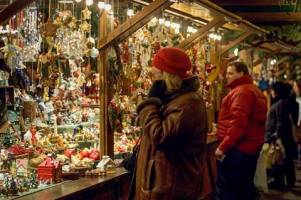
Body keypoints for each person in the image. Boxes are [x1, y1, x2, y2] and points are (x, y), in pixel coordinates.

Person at [133, 47, 208, 200]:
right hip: (160, 185)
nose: (152, 79)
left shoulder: (188, 104)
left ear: (167, 76)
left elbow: (160, 137)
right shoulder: (176, 99)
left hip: (170, 189)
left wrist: (149, 105)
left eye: (155, 74)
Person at [215, 62, 267, 200]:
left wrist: (222, 147)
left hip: (239, 149)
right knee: (243, 188)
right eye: (227, 73)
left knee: (230, 190)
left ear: (241, 74)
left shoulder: (242, 92)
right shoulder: (252, 90)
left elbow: (238, 124)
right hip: (249, 148)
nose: (227, 76)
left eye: (231, 73)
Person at [265, 81, 298, 189]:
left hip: (279, 137)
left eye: (273, 90)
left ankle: (280, 182)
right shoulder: (284, 102)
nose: (272, 92)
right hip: (283, 136)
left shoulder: (281, 103)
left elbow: (280, 120)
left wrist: (276, 135)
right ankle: (288, 181)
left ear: (277, 91)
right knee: (284, 159)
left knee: (279, 159)